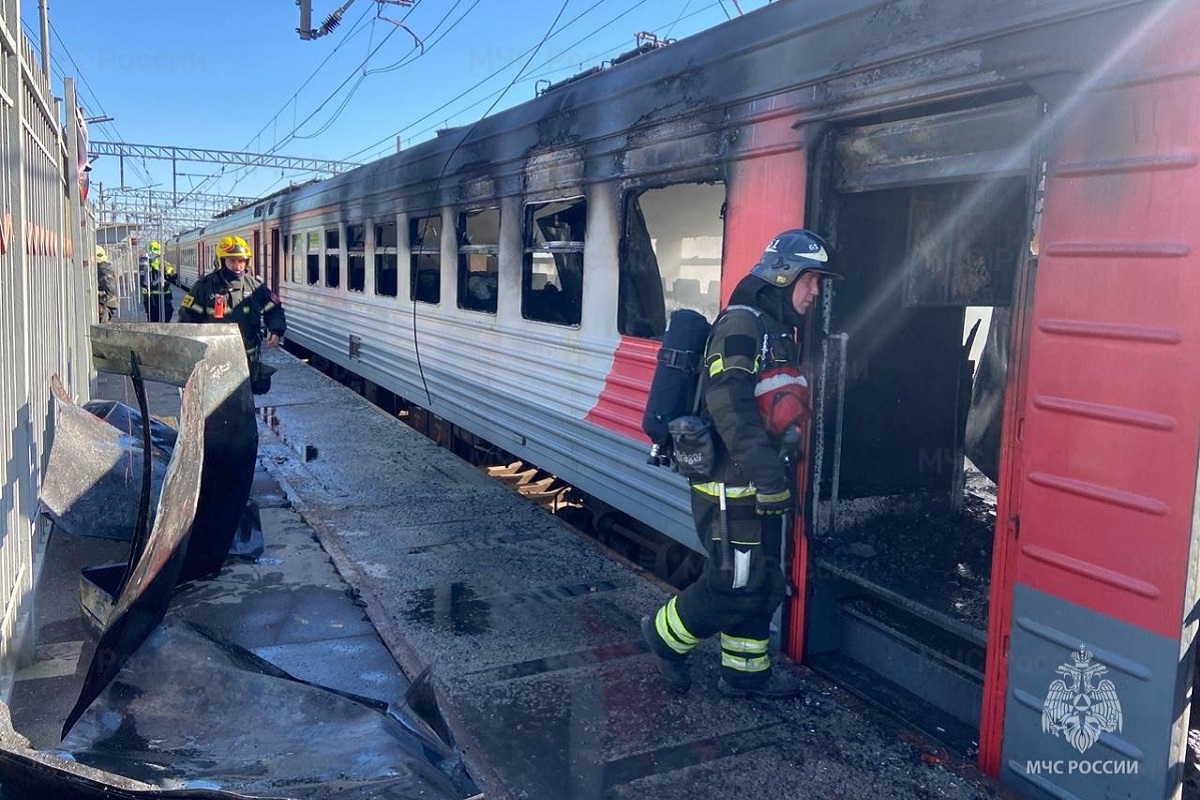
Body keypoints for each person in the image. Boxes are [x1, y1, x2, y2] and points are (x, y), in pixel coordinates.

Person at [641, 229, 842, 699]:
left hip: (755, 484)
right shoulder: (743, 326)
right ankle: (664, 636)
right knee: (732, 581)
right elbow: (729, 404)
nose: (815, 292)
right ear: (782, 275)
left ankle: (745, 675)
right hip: (729, 487)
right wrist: (769, 477)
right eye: (810, 280)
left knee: (763, 579)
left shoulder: (776, 330)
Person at [176, 235, 286, 394]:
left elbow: (274, 308)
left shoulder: (255, 287)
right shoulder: (204, 287)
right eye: (232, 261)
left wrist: (275, 329)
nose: (237, 266)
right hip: (214, 361)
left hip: (247, 362)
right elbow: (187, 319)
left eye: (241, 261)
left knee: (244, 405)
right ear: (221, 261)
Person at [141, 240, 177, 322]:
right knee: (161, 316)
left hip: (155, 296)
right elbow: (173, 276)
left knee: (156, 317)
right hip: (158, 296)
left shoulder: (148, 263)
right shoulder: (157, 263)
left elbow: (173, 275)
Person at [96, 246, 120, 323]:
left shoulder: (104, 270)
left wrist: (96, 293)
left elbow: (110, 292)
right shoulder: (104, 268)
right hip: (107, 304)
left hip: (106, 305)